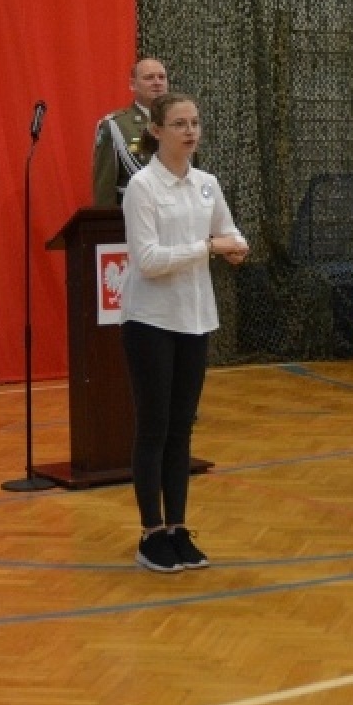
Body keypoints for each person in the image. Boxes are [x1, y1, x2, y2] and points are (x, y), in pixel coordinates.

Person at [120, 92, 248, 573]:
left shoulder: (207, 184)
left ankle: (177, 527)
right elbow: (148, 261)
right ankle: (150, 533)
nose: (190, 131)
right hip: (150, 320)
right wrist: (209, 247)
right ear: (156, 130)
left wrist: (235, 248)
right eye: (179, 123)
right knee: (153, 427)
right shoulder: (142, 187)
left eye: (195, 122)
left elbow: (229, 233)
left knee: (182, 429)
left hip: (196, 318)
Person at [92, 57, 169, 207]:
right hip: (135, 213)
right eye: (149, 77)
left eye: (162, 77)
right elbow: (105, 187)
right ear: (133, 85)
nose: (157, 82)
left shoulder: (181, 123)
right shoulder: (116, 125)